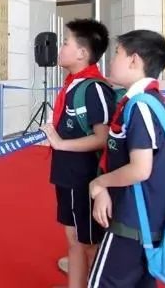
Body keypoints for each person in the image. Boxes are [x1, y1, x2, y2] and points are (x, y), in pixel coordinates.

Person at [87, 30, 165, 288]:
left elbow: (140, 169)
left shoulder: (141, 106)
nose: (111, 60)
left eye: (117, 54)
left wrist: (99, 183)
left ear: (134, 60)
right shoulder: (146, 101)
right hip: (143, 220)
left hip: (133, 221)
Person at [41, 19, 116, 288]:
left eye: (65, 43)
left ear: (82, 53)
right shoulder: (73, 84)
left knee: (89, 244)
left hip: (83, 177)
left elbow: (102, 137)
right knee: (75, 241)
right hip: (67, 175)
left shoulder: (93, 88)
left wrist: (61, 144)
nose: (60, 48)